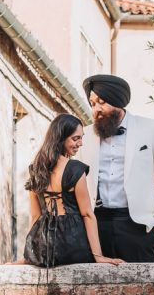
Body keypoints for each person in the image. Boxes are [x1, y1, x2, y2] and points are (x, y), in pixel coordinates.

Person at [79, 74, 154, 263]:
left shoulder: (151, 129)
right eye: (92, 104)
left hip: (138, 229)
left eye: (101, 102)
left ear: (118, 101)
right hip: (94, 226)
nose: (96, 109)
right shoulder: (83, 135)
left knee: (141, 290)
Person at [23, 113, 124, 269]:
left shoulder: (36, 170)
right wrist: (99, 256)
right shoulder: (75, 169)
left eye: (81, 138)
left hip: (45, 248)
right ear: (60, 138)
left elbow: (36, 216)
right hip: (72, 245)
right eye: (75, 138)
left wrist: (28, 255)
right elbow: (87, 214)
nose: (81, 143)